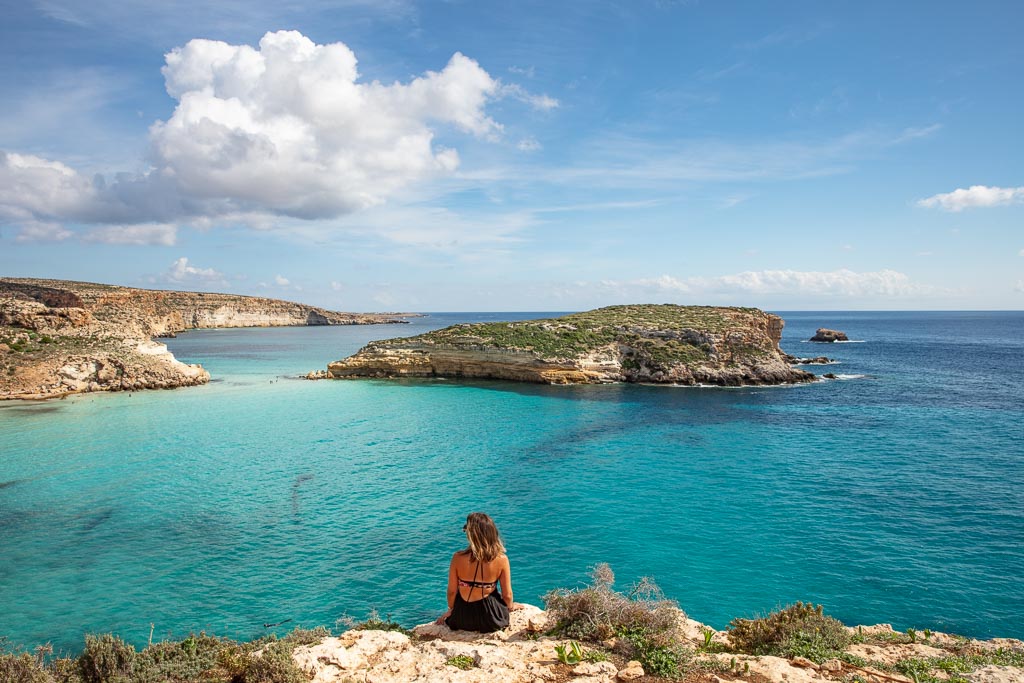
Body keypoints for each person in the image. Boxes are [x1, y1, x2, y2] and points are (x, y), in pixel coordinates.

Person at [435, 512, 518, 632]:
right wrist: (510, 607)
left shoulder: (457, 558)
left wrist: (452, 610)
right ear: (492, 533)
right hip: (491, 619)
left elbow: (452, 592)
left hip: (462, 619)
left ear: (470, 535)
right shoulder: (501, 559)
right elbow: (507, 595)